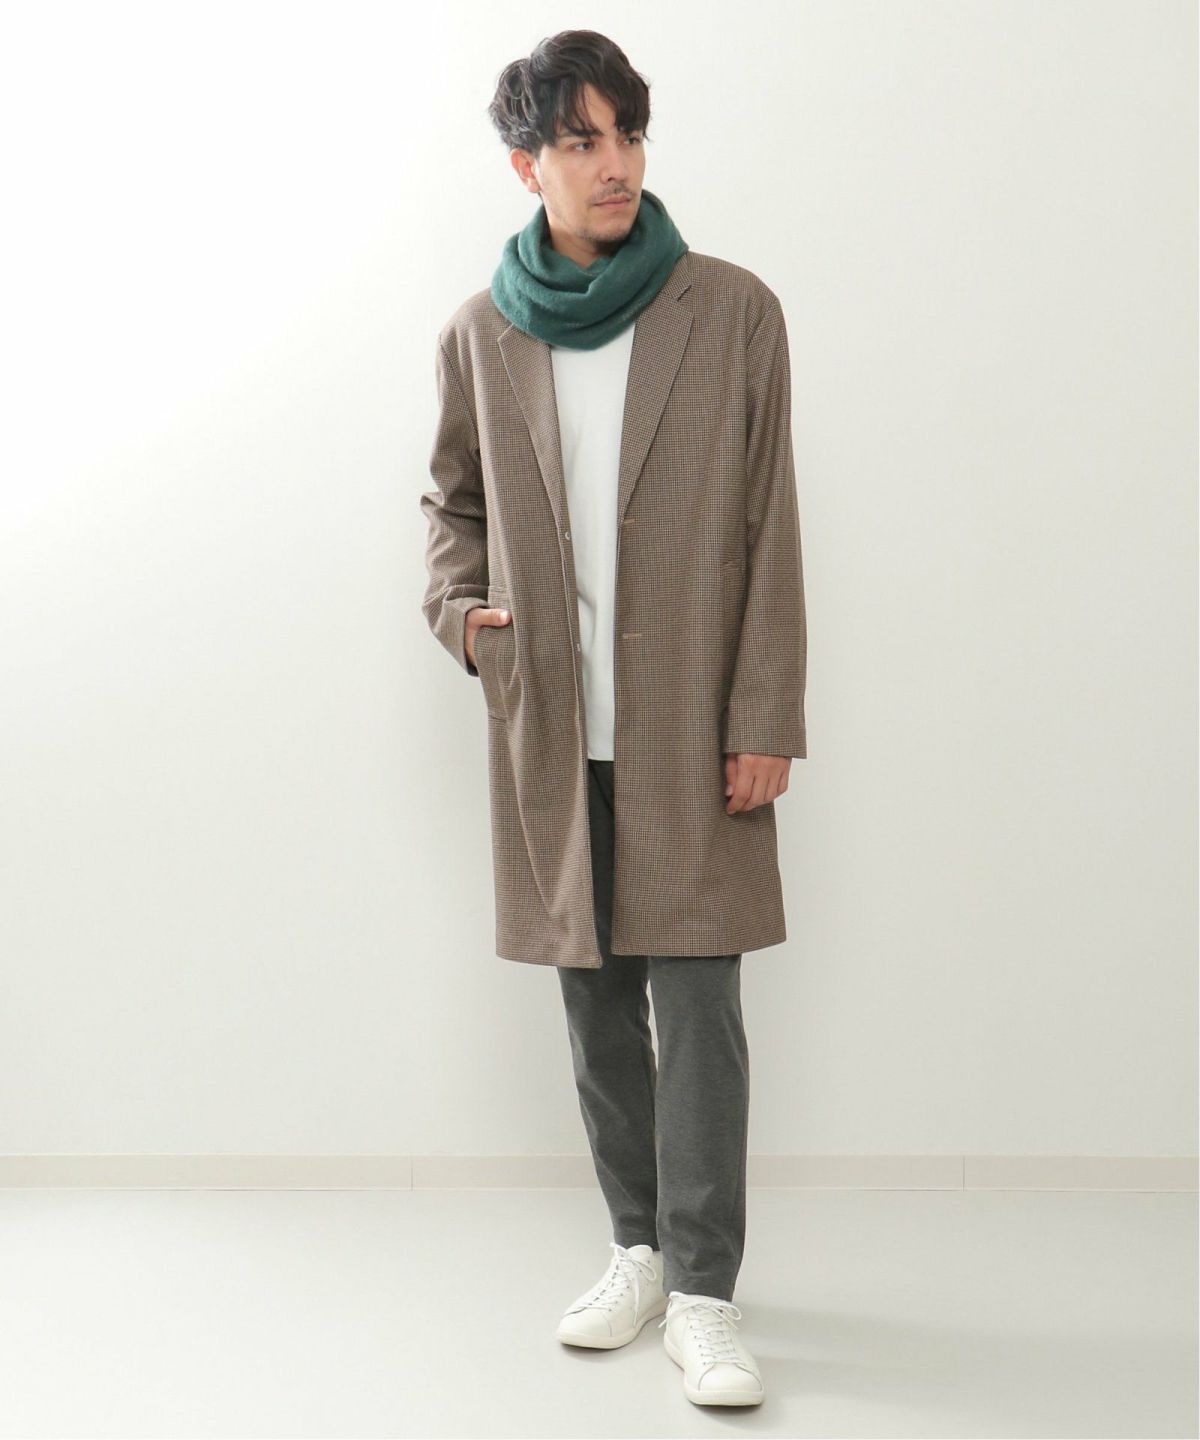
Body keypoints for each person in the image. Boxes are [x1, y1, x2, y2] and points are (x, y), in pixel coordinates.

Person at [420, 29, 807, 1409]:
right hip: (550, 724)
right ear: (526, 163)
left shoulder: (731, 310)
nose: (615, 164)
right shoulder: (484, 330)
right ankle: (636, 1250)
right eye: (581, 140)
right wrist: (466, 620)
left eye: (628, 134)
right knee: (594, 1008)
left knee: (698, 1012)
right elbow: (452, 504)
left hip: (692, 726)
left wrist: (764, 714)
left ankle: (704, 1291)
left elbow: (770, 524)